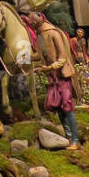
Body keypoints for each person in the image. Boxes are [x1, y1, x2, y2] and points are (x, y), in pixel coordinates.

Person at [28, 13, 80, 146]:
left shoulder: (53, 33)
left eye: (32, 22)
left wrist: (49, 67)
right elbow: (39, 55)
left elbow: (62, 57)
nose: (32, 24)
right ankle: (68, 137)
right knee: (59, 107)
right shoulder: (39, 35)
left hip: (62, 75)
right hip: (53, 76)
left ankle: (75, 140)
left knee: (67, 107)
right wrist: (23, 57)